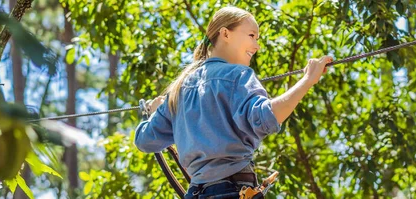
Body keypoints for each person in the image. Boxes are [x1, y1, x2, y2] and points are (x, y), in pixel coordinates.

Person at [134, 6, 332, 198]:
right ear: (225, 34)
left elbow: (144, 140)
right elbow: (267, 116)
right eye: (251, 35)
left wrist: (150, 114)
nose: (257, 46)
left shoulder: (178, 89)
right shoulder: (237, 75)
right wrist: (307, 80)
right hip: (233, 188)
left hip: (196, 192)